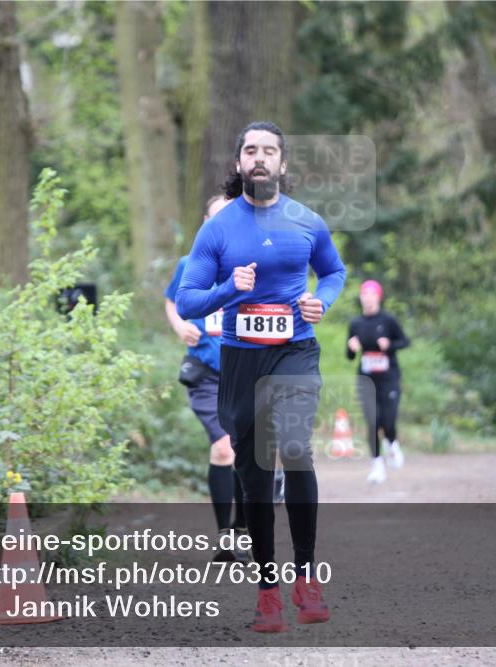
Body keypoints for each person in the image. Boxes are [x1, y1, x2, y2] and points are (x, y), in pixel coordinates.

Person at [176, 121, 345, 633]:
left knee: (294, 447)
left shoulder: (307, 221)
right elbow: (187, 301)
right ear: (238, 163)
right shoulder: (218, 228)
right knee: (252, 469)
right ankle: (268, 589)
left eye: (269, 150)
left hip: (294, 350)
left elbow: (334, 272)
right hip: (240, 359)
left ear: (283, 164)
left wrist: (323, 302)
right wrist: (230, 288)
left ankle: (307, 577)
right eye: (250, 149)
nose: (260, 158)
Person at [164, 194, 249, 562]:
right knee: (223, 447)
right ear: (205, 222)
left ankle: (244, 529)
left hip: (244, 371)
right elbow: (171, 301)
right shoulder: (190, 263)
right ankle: (224, 537)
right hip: (205, 375)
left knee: (247, 454)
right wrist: (181, 326)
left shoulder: (249, 266)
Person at [346, 279, 409, 483]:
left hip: (389, 378)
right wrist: (351, 347)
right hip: (366, 379)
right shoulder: (356, 323)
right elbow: (349, 355)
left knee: (387, 419)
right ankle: (377, 466)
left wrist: (389, 344)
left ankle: (392, 444)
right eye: (364, 295)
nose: (368, 298)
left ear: (378, 297)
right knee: (372, 422)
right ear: (361, 298)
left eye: (372, 294)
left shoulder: (388, 320)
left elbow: (405, 341)